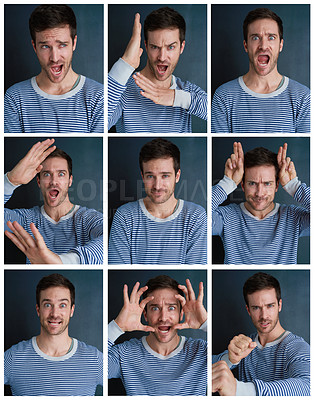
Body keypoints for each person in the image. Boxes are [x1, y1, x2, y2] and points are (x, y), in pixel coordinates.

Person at [4, 4, 104, 133]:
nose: (54, 58)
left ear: (74, 43)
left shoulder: (98, 96)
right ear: (35, 47)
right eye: (45, 46)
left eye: (62, 45)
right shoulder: (14, 98)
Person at [108, 7, 207, 133]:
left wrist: (176, 98)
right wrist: (126, 63)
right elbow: (97, 124)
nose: (162, 57)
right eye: (155, 47)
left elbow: (217, 112)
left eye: (171, 47)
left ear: (181, 47)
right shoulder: (122, 90)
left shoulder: (186, 91)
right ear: (146, 46)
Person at [4, 138, 103, 264]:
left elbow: (108, 241)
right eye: (46, 174)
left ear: (70, 180)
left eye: (61, 174)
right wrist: (10, 181)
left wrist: (58, 261)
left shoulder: (88, 218)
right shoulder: (26, 219)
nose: (53, 181)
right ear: (39, 181)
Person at [108, 138, 207, 264]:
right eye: (150, 176)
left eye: (165, 176)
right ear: (142, 176)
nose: (157, 186)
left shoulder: (195, 216)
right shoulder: (125, 216)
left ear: (177, 176)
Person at [211, 8, 310, 133]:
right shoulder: (224, 96)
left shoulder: (303, 97)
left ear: (281, 45)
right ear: (246, 45)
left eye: (271, 37)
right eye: (255, 38)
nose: (263, 46)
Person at [212, 272, 310, 396]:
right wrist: (230, 360)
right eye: (256, 308)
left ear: (279, 305)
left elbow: (308, 386)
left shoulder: (297, 347)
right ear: (248, 310)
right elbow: (199, 364)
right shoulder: (245, 346)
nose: (264, 316)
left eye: (270, 306)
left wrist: (239, 389)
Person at [4, 273, 103, 395]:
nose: (55, 314)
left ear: (71, 310)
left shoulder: (94, 359)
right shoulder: (13, 357)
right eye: (47, 305)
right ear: (38, 310)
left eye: (62, 305)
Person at [212, 141, 309, 264]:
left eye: (267, 183)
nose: (259, 193)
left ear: (277, 186)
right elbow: (196, 218)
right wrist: (227, 183)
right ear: (242, 185)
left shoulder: (294, 217)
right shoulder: (225, 217)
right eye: (252, 183)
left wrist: (294, 186)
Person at [108, 275, 207, 395]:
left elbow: (229, 362)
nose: (163, 317)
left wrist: (205, 324)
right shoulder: (124, 353)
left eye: (171, 308)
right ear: (145, 314)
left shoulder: (201, 351)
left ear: (181, 314)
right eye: (155, 308)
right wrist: (117, 327)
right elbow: (93, 369)